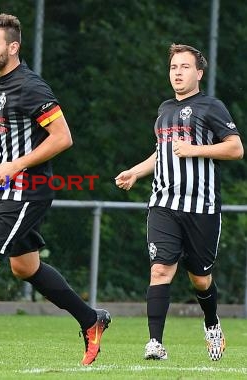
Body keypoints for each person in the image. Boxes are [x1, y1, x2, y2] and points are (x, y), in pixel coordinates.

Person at [0, 14, 111, 366]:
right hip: (11, 189)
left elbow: (63, 137)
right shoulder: (0, 84)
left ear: (13, 47)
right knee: (25, 267)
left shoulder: (31, 86)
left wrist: (16, 164)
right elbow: (11, 121)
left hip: (27, 189)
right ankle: (91, 319)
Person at [115, 44, 243, 361]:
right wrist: (136, 171)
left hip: (202, 207)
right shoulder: (164, 110)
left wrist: (195, 150)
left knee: (200, 278)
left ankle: (211, 323)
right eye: (174, 67)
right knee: (160, 270)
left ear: (198, 73)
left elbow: (235, 149)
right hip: (164, 203)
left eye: (185, 67)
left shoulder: (212, 107)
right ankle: (155, 343)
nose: (178, 72)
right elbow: (163, 153)